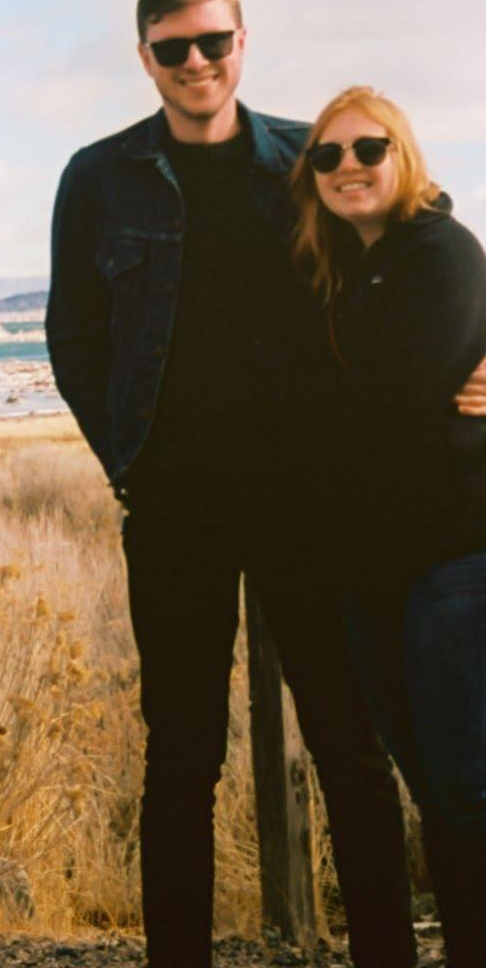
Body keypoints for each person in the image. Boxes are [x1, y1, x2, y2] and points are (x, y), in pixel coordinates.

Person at [45, 0, 418, 967]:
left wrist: (474, 352)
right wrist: (128, 461)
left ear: (241, 41)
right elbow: (73, 336)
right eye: (173, 47)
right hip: (176, 510)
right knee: (180, 757)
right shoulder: (98, 177)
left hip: (309, 503)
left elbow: (418, 245)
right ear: (144, 57)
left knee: (346, 742)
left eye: (213, 40)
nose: (196, 61)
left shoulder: (308, 157)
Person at [279, 86, 486, 966]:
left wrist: (299, 408)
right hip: (367, 567)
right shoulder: (332, 268)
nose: (348, 166)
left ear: (403, 155)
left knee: (463, 789)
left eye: (369, 148)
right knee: (427, 782)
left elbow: (393, 401)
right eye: (327, 155)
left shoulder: (440, 250)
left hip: (449, 558)